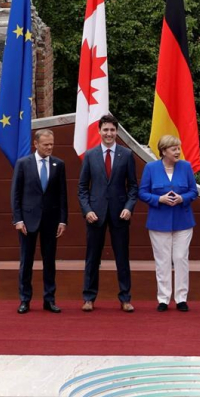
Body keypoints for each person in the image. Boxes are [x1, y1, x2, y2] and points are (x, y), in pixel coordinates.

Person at [78, 114, 138, 312]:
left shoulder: (127, 155)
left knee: (122, 257)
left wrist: (128, 208)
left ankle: (125, 298)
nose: (109, 133)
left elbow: (133, 188)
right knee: (92, 258)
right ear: (99, 131)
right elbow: (82, 188)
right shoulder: (90, 155)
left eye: (112, 130)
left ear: (116, 132)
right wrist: (87, 211)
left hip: (120, 215)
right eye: (106, 130)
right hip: (95, 215)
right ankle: (88, 298)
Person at [10, 129, 68, 314]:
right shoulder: (23, 164)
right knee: (26, 261)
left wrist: (63, 220)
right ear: (36, 144)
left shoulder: (59, 164)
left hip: (51, 221)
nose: (50, 147)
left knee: (49, 261)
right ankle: (25, 300)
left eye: (52, 144)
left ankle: (49, 300)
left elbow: (62, 195)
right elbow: (16, 194)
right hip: (27, 221)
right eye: (46, 144)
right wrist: (18, 219)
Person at [139, 135, 198, 313]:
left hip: (183, 220)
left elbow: (193, 191)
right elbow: (142, 192)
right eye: (174, 149)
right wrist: (159, 199)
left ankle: (181, 298)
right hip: (159, 221)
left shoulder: (186, 167)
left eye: (178, 148)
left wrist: (182, 198)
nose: (178, 151)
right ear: (163, 151)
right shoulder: (151, 168)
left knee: (180, 258)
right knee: (162, 261)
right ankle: (163, 298)